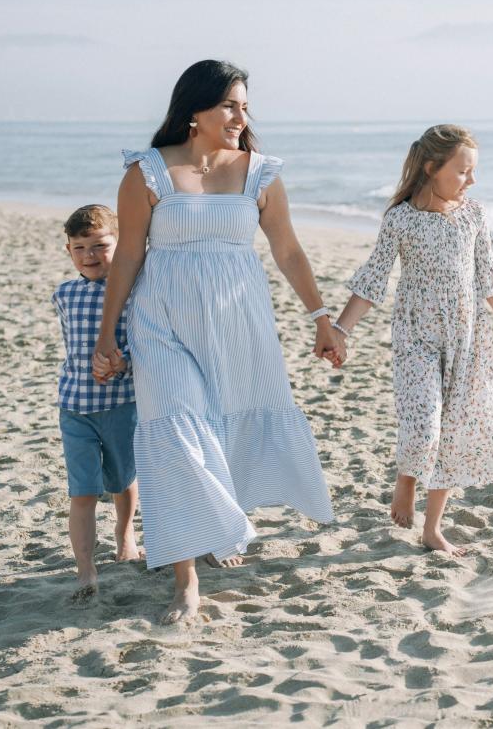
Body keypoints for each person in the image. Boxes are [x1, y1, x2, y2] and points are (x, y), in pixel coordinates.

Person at [93, 60, 340, 623]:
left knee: (222, 424)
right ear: (195, 110)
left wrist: (321, 317)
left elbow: (288, 250)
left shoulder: (260, 173)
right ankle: (185, 580)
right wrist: (108, 333)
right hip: (162, 323)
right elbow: (128, 255)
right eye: (230, 104)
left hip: (238, 322)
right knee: (175, 430)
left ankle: (213, 529)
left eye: (245, 107)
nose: (240, 116)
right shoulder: (146, 172)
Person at [333, 125, 493, 556]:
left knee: (452, 434)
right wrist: (340, 331)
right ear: (432, 167)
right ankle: (405, 481)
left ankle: (433, 528)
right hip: (416, 337)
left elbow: (490, 280)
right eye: (463, 171)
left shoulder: (473, 214)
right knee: (422, 427)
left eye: (473, 172)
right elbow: (373, 280)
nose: (471, 180)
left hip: (468, 339)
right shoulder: (401, 219)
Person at [53, 204, 142, 601]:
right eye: (80, 248)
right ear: (69, 250)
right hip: (75, 405)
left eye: (100, 246)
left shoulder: (133, 290)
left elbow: (142, 343)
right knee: (83, 491)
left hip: (122, 402)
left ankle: (125, 535)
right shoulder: (64, 294)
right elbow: (73, 347)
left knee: (122, 480)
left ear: (118, 245)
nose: (90, 255)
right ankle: (86, 569)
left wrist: (122, 363)